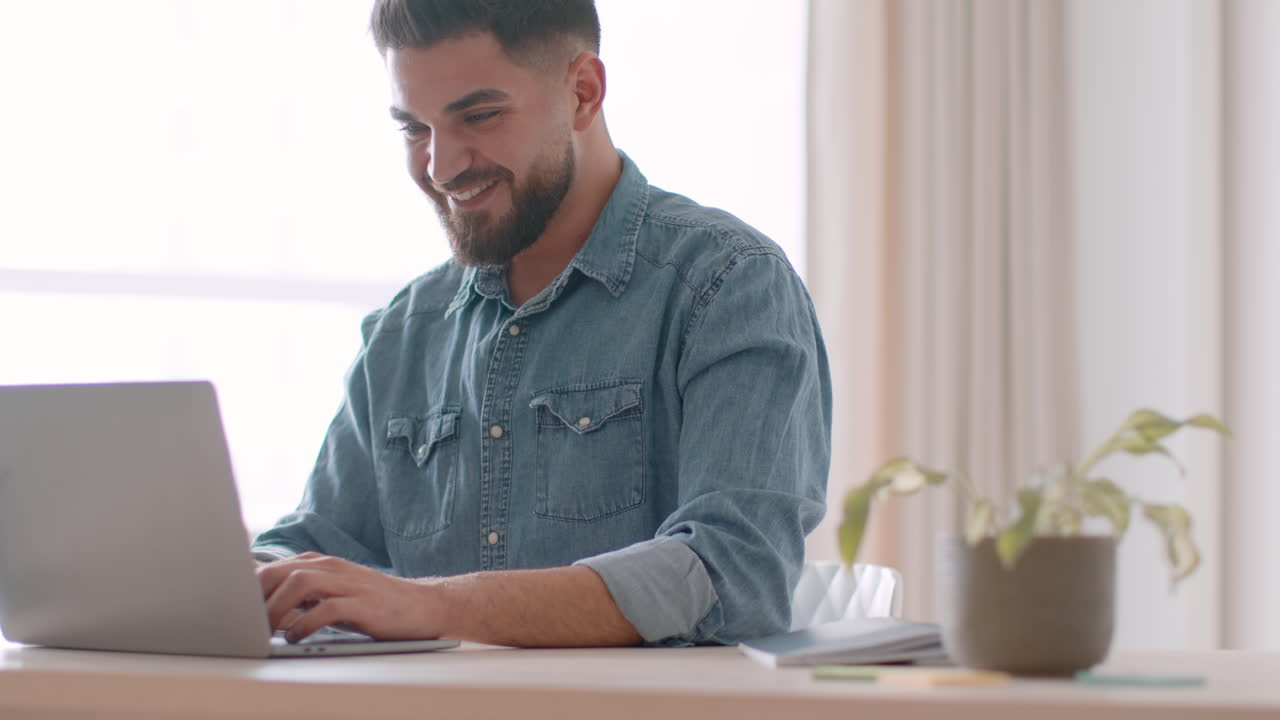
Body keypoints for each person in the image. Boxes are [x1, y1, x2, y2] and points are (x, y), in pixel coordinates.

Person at [251, 0, 830, 648]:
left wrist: (434, 606)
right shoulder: (402, 333)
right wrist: (227, 582)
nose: (440, 168)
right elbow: (310, 548)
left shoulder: (729, 286)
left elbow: (733, 573)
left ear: (583, 92)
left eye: (479, 116)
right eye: (415, 129)